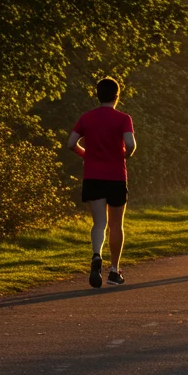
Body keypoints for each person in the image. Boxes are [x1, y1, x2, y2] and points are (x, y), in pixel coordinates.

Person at [67, 77, 136, 288]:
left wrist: (86, 154)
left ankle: (96, 255)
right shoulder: (123, 118)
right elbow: (130, 145)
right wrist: (123, 155)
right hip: (116, 175)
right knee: (116, 225)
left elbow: (71, 143)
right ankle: (114, 270)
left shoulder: (86, 118)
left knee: (99, 223)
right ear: (117, 95)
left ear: (97, 95)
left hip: (93, 176)